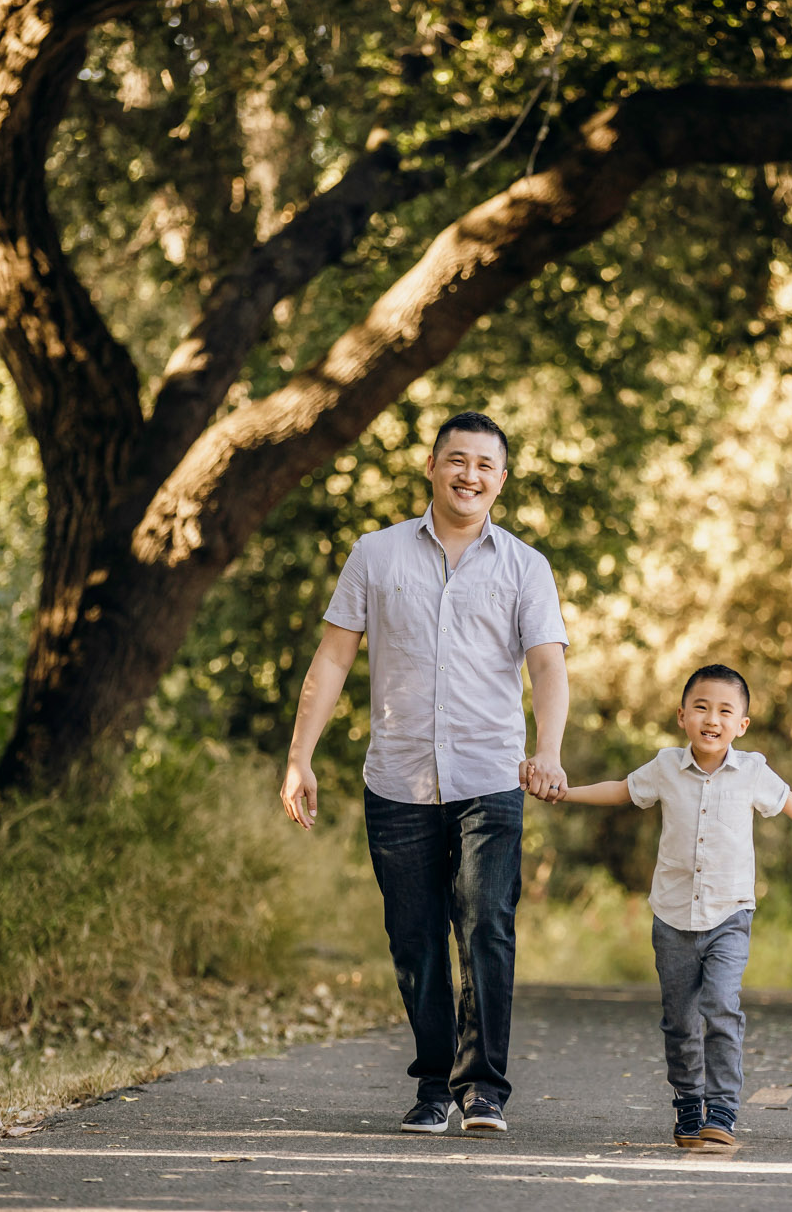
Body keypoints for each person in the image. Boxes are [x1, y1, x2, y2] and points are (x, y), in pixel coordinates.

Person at [280, 411, 571, 1136]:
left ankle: (483, 1087)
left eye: (484, 465)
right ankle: (434, 1082)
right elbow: (335, 656)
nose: (469, 474)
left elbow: (548, 666)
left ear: (501, 479)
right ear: (433, 466)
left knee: (486, 929)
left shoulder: (524, 565)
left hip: (490, 775)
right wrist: (300, 755)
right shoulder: (376, 554)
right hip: (398, 778)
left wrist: (550, 747)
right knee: (413, 936)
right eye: (457, 460)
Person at [540, 663, 792, 1149]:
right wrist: (566, 793)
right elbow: (622, 791)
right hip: (672, 918)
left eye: (726, 711)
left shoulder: (752, 771)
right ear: (682, 715)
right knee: (680, 1018)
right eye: (702, 707)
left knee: (722, 1006)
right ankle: (688, 1103)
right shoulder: (665, 766)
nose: (713, 718)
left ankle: (722, 1110)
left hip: (730, 915)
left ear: (741, 725)